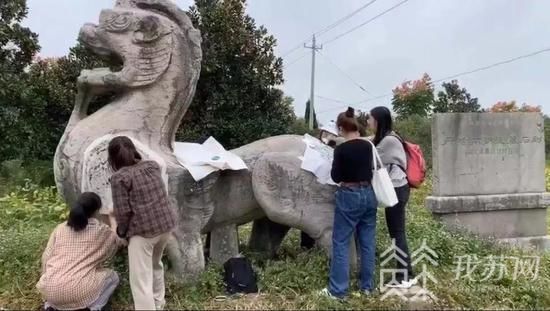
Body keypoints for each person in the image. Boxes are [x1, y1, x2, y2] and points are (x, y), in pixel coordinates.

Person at [108, 136, 177, 310]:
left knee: (140, 281)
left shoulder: (119, 178)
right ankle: (159, 303)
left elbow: (122, 212)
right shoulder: (152, 166)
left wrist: (121, 233)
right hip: (165, 225)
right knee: (155, 264)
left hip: (144, 233)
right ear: (134, 150)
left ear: (112, 158)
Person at [319, 107, 378, 299]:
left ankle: (338, 291)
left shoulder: (341, 149)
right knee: (367, 242)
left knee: (341, 242)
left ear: (341, 128)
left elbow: (336, 177)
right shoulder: (367, 146)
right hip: (369, 194)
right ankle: (367, 287)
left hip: (349, 195)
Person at [37, 192, 124, 311]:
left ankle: (50, 305)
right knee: (113, 277)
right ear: (96, 211)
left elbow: (46, 256)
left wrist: (46, 278)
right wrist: (112, 217)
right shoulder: (100, 230)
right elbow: (119, 241)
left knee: (58, 285)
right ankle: (95, 307)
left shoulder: (60, 228)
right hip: (78, 290)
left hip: (50, 289)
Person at [368, 106, 416, 288]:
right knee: (396, 232)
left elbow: (369, 157)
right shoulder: (387, 137)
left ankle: (405, 276)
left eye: (370, 119)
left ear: (378, 120)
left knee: (397, 232)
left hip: (397, 189)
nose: (368, 122)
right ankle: (405, 273)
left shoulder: (388, 141)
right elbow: (369, 143)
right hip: (397, 188)